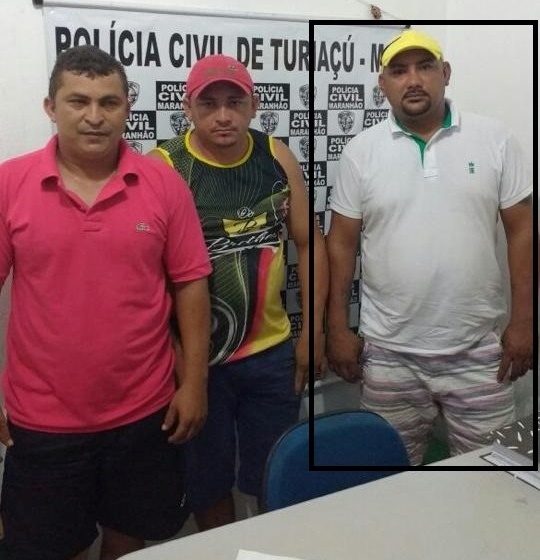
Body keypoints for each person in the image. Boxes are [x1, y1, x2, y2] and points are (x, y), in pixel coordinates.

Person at [0, 45, 212, 560]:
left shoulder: (163, 183)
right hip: (42, 418)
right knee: (52, 548)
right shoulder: (9, 184)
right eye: (78, 101)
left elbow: (191, 284)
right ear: (51, 107)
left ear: (126, 108)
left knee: (129, 536)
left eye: (109, 102)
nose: (94, 116)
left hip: (145, 410)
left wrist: (195, 384)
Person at [326, 29, 533, 466]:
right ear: (383, 84)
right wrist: (337, 328)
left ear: (446, 73)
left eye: (425, 67)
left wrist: (524, 322)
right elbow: (341, 244)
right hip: (388, 353)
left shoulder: (495, 139)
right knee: (389, 477)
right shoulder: (361, 152)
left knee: (494, 477)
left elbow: (522, 231)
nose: (414, 80)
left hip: (479, 349)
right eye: (399, 71)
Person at [149, 54, 328, 529]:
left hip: (270, 354)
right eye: (209, 104)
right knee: (206, 484)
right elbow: (145, 274)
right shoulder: (164, 166)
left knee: (275, 476)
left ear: (254, 104)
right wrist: (176, 361)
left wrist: (312, 332)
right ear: (187, 107)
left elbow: (309, 243)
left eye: (235, 102)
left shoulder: (276, 155)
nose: (223, 115)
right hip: (197, 362)